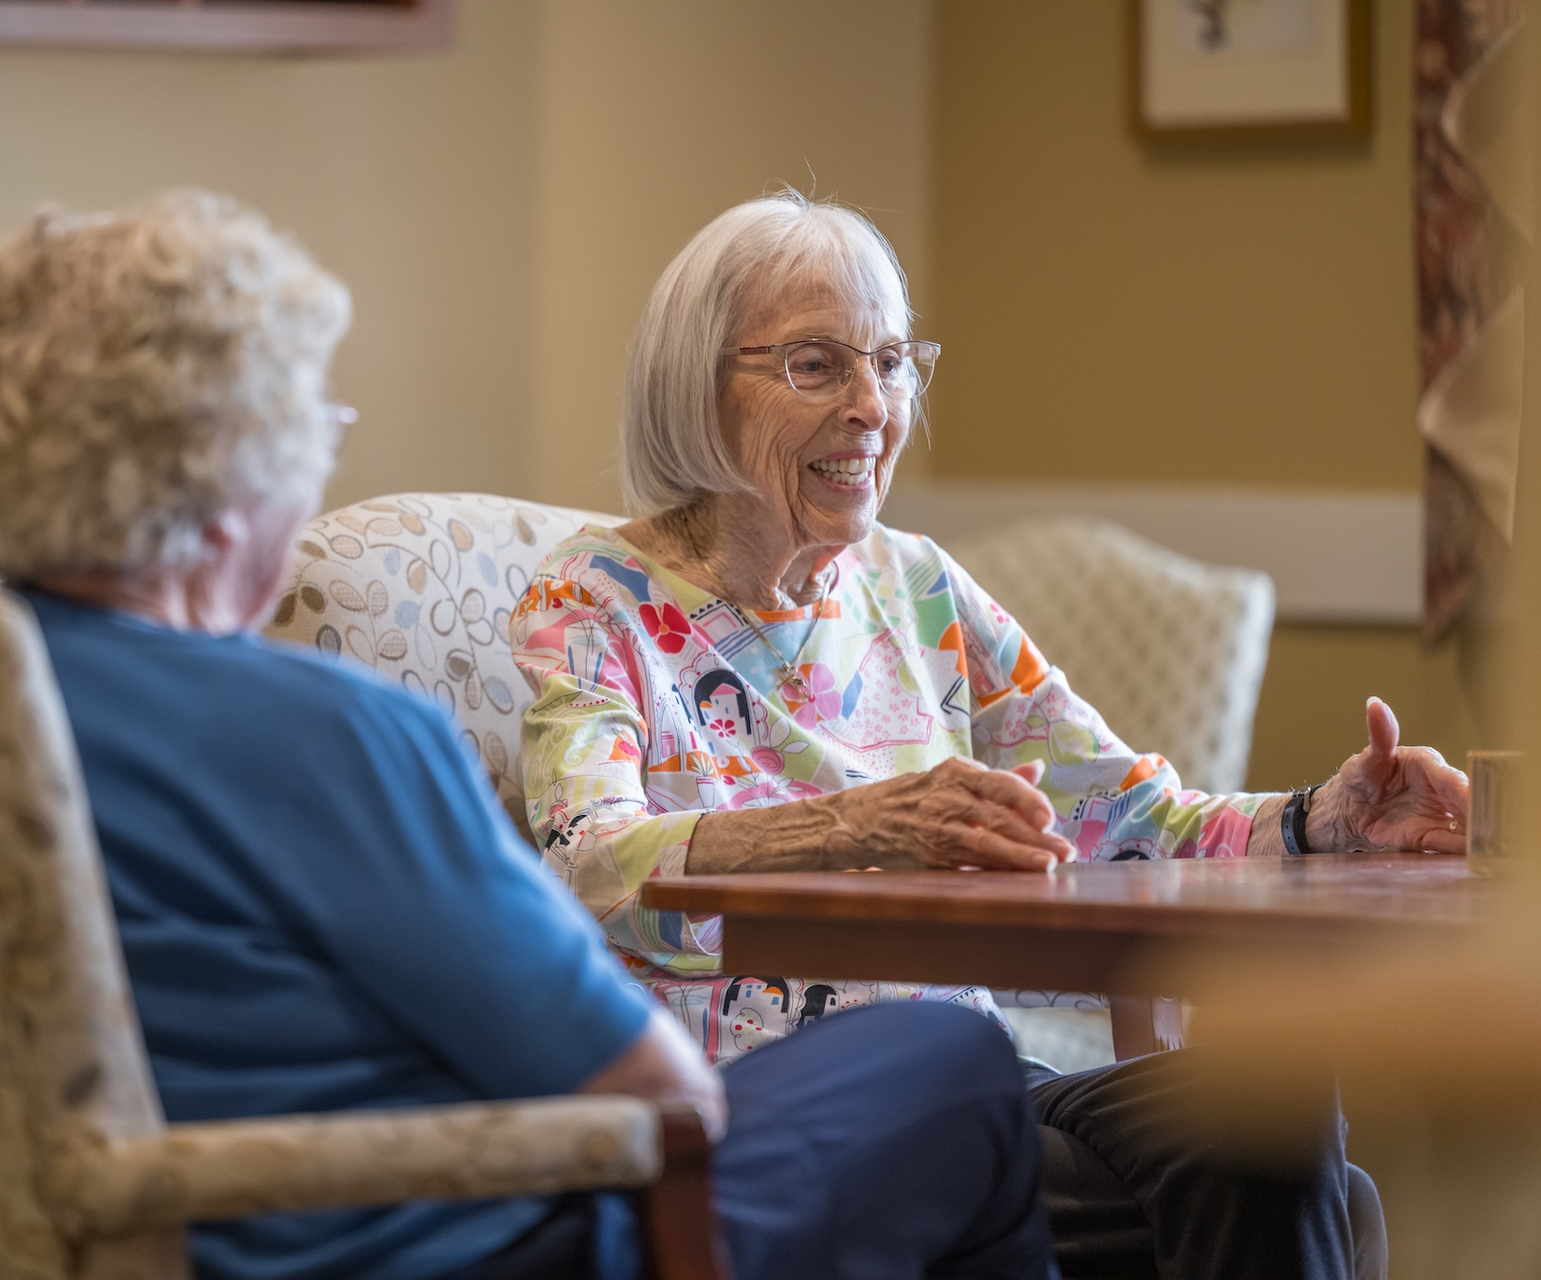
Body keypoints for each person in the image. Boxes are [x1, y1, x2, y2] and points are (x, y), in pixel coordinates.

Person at [0, 190, 1053, 1280]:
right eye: (313, 425)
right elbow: (656, 1088)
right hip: (461, 1246)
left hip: (95, 1238)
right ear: (226, 488)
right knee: (951, 1061)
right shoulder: (327, 737)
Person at [511, 191, 1454, 1280]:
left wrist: (1318, 819)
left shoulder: (918, 588)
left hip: (970, 1086)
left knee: (1266, 1104)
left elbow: (1134, 820)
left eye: (893, 362)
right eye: (817, 365)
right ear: (696, 384)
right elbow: (590, 870)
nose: (872, 405)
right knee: (1322, 1198)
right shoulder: (596, 599)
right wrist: (853, 824)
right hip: (765, 1103)